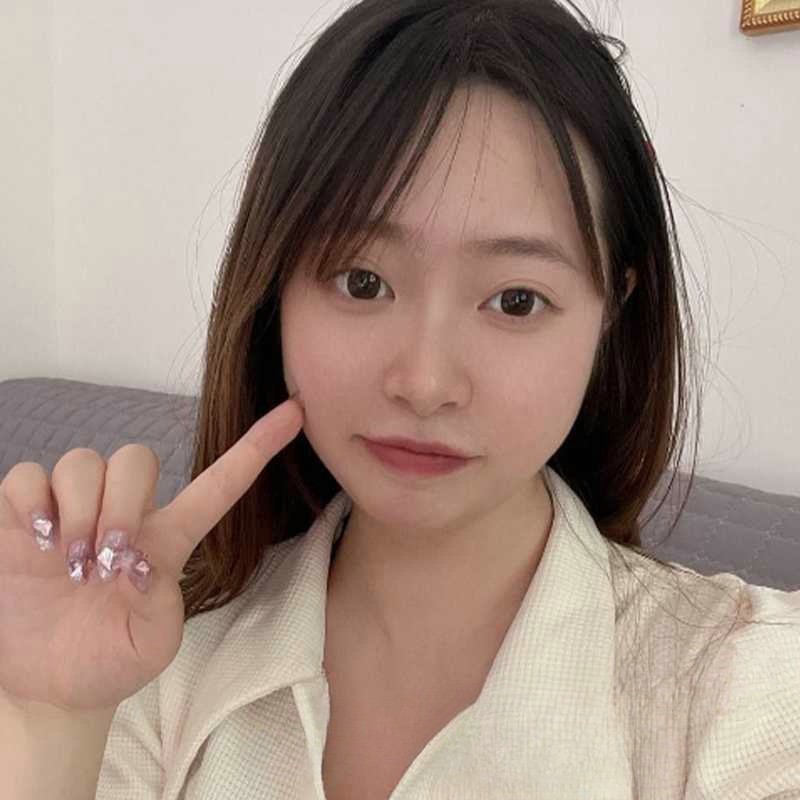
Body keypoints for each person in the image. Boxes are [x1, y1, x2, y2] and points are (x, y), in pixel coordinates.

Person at [1, 1, 798, 798]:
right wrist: (51, 720)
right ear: (275, 292)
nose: (424, 382)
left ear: (611, 314)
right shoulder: (152, 661)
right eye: (362, 281)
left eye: (516, 300)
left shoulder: (748, 693)